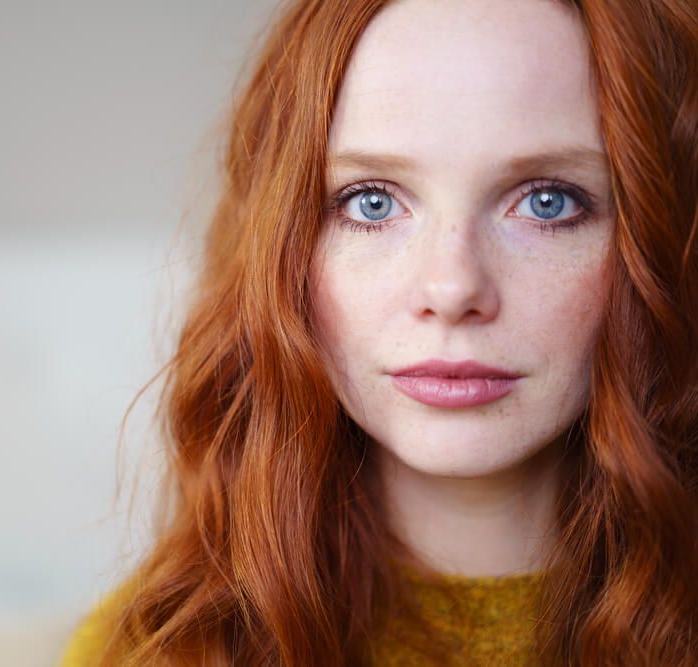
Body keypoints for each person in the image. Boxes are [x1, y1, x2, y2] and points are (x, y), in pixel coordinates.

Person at [60, 0, 698, 664]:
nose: (451, 289)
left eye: (548, 201)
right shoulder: (155, 649)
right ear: (284, 250)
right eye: (372, 202)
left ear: (667, 236)